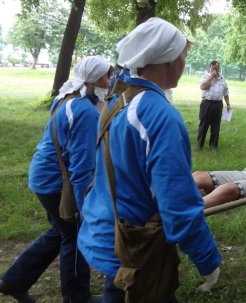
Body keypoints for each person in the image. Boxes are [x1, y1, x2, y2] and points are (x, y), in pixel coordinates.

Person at [78, 17, 221, 302]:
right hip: (131, 245)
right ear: (170, 60)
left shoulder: (119, 99)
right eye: (183, 54)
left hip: (105, 229)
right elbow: (177, 201)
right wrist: (207, 259)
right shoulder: (158, 115)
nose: (184, 61)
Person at [0, 56, 113, 303]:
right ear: (93, 80)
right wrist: (84, 209)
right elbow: (81, 168)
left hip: (43, 175)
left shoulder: (67, 97)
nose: (111, 80)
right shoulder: (85, 112)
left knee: (60, 231)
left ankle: (13, 281)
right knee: (74, 235)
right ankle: (76, 297)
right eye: (107, 76)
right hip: (56, 183)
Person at [196, 60, 231, 150]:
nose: (215, 70)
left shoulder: (222, 79)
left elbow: (226, 93)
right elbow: (203, 87)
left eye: (216, 68)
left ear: (219, 68)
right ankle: (199, 145)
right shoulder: (205, 76)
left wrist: (228, 104)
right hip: (206, 103)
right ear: (210, 68)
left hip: (218, 105)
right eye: (213, 68)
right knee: (203, 125)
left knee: (216, 126)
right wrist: (211, 77)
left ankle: (213, 145)